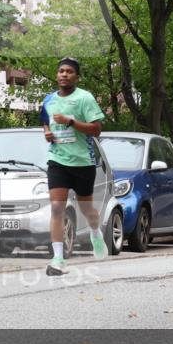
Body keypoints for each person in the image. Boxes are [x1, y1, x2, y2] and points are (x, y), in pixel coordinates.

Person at [39, 57, 107, 276]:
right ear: (57, 75)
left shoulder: (85, 98)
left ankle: (96, 232)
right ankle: (58, 258)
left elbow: (96, 129)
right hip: (57, 160)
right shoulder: (49, 99)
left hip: (82, 161)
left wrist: (70, 122)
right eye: (61, 71)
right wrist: (47, 133)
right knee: (57, 207)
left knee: (86, 208)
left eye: (69, 71)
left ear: (76, 76)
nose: (64, 74)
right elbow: (46, 121)